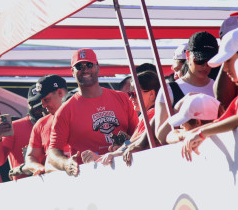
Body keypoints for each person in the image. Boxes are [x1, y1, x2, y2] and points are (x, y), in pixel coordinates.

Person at [164, 27, 238, 144]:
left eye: (227, 61)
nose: (225, 69)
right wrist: (185, 134)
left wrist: (198, 133)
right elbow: (221, 122)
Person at [47, 48, 139, 176]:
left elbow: (138, 135)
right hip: (90, 176)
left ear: (98, 67)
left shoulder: (122, 98)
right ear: (72, 72)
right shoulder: (65, 111)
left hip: (126, 168)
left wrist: (125, 145)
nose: (85, 69)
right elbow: (53, 152)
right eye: (79, 66)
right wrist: (65, 164)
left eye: (89, 65)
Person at [154, 31, 218, 145]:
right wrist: (176, 110)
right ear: (188, 56)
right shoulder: (169, 90)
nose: (205, 66)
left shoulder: (219, 87)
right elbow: (161, 137)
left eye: (210, 61)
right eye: (199, 60)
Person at [97, 70, 161, 166]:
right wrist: (122, 146)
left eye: (133, 94)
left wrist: (118, 152)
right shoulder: (147, 115)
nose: (130, 98)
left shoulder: (154, 113)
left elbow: (143, 138)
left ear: (151, 94)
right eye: (129, 94)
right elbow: (137, 140)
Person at [0, 84, 44, 180]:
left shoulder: (55, 122)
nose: (37, 108)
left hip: (54, 179)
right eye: (33, 103)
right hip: (24, 186)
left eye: (40, 103)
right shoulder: (14, 127)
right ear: (28, 104)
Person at [20, 75, 69, 176]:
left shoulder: (84, 112)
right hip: (56, 182)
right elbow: (30, 157)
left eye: (46, 100)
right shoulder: (41, 124)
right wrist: (39, 168)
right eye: (41, 101)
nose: (43, 106)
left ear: (60, 93)